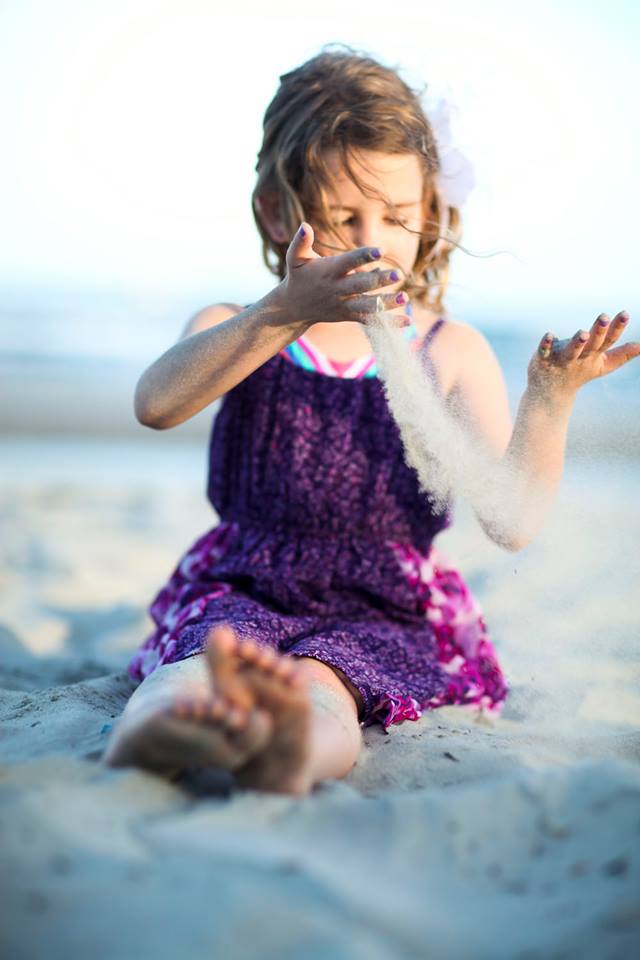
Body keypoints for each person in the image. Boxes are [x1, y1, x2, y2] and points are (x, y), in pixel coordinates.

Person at [103, 48, 637, 796]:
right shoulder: (242, 325)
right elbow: (156, 404)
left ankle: (292, 748)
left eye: (396, 216)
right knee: (199, 659)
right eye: (342, 216)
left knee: (328, 687)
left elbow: (510, 518)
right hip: (247, 579)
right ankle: (159, 725)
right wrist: (282, 312)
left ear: (432, 216)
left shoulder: (449, 349)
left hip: (382, 598)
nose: (372, 238)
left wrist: (549, 401)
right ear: (277, 213)